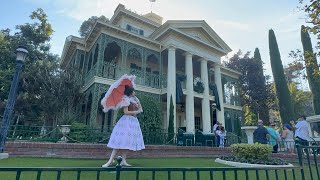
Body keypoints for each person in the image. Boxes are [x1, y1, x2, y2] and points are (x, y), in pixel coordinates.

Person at [102, 85, 145, 167]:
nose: (135, 92)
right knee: (120, 141)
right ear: (131, 93)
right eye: (133, 91)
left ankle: (123, 160)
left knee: (126, 142)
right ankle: (110, 160)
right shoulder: (125, 100)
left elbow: (140, 109)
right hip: (126, 121)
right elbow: (126, 112)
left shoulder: (133, 100)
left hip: (133, 122)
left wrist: (138, 102)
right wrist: (136, 112)